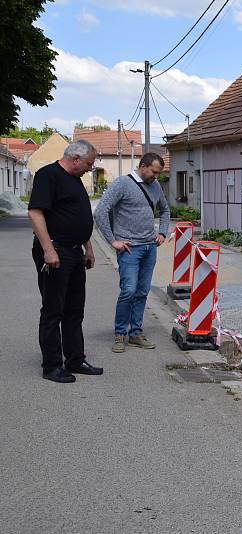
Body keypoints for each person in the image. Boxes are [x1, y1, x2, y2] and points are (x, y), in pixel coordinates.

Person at [28, 140, 103, 383]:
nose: (90, 169)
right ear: (76, 158)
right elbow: (35, 212)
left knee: (74, 308)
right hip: (55, 252)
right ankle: (51, 365)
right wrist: (48, 250)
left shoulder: (75, 179)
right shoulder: (48, 175)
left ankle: (75, 359)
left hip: (74, 252)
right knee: (53, 309)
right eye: (89, 164)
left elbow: (79, 217)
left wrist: (88, 247)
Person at [94, 153, 170, 353]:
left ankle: (136, 333)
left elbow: (165, 209)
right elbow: (100, 211)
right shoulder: (122, 184)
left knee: (143, 291)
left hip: (149, 247)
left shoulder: (155, 186)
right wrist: (112, 241)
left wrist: (162, 232)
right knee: (129, 290)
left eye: (158, 173)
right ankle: (120, 334)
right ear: (143, 166)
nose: (156, 177)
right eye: (154, 172)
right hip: (129, 249)